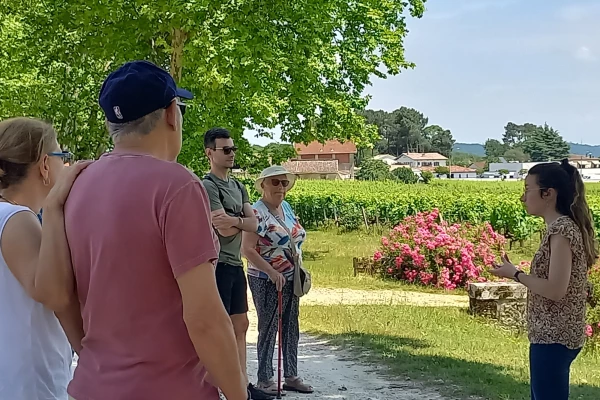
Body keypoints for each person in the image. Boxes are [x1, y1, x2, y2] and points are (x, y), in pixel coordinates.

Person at [62, 60, 248, 400]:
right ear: (171, 114)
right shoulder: (177, 186)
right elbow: (205, 319)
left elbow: (61, 293)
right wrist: (239, 394)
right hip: (169, 389)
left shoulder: (76, 184)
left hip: (90, 387)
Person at [491, 159, 597, 400]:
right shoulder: (561, 228)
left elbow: (556, 289)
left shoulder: (561, 230)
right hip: (553, 335)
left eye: (528, 189)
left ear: (548, 193)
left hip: (554, 338)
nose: (523, 197)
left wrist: (516, 274)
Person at [0, 117, 89, 399]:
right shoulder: (16, 218)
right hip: (30, 382)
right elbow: (53, 294)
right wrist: (54, 208)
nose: (66, 165)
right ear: (44, 165)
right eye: (61, 156)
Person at [202, 128, 272, 400]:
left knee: (240, 325)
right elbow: (222, 226)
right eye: (226, 150)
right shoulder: (208, 185)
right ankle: (219, 386)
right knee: (219, 330)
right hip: (217, 264)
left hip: (235, 266)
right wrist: (239, 222)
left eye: (233, 149)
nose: (232, 154)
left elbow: (255, 224)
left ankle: (242, 387)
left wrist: (236, 221)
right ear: (210, 153)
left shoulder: (238, 186)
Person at [241, 165, 314, 396]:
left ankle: (291, 375)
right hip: (265, 278)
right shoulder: (255, 212)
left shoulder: (287, 208)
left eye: (284, 183)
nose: (280, 187)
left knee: (292, 326)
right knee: (269, 327)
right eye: (275, 182)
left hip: (291, 279)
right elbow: (247, 250)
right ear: (262, 185)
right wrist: (272, 272)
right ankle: (264, 378)